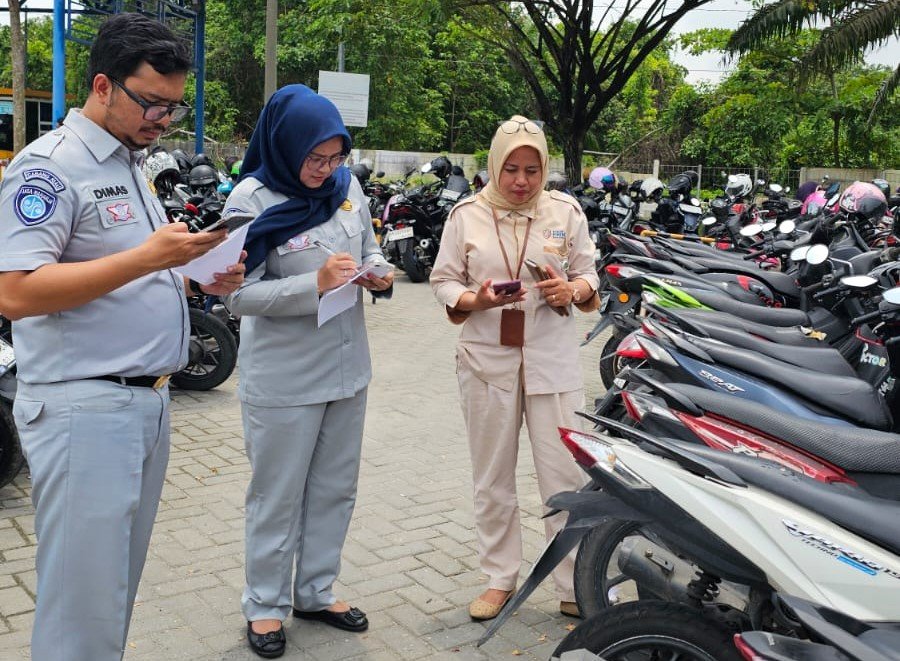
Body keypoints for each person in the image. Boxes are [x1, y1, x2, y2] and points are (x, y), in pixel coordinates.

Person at [0, 14, 245, 661]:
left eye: (173, 107)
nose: (163, 119)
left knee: (111, 593)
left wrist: (193, 275)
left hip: (145, 402)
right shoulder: (49, 168)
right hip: (84, 408)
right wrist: (148, 259)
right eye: (152, 103)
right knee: (80, 605)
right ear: (103, 85)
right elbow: (15, 291)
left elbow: (120, 272)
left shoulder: (131, 163)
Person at [222, 84, 393, 659]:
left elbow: (369, 248)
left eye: (335, 157)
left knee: (335, 489)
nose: (325, 169)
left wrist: (378, 272)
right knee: (277, 495)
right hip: (284, 379)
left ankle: (316, 591)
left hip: (347, 369)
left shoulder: (347, 188)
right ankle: (264, 604)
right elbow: (236, 295)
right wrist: (312, 284)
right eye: (314, 158)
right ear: (285, 144)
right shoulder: (251, 200)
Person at [430, 115, 600, 621]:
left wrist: (571, 290)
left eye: (532, 169)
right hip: (487, 362)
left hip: (552, 363)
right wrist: (474, 299)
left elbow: (589, 273)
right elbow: (443, 280)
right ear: (493, 166)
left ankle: (573, 582)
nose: (521, 181)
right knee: (492, 477)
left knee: (564, 476)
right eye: (511, 169)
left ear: (544, 167)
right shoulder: (466, 215)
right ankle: (499, 577)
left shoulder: (565, 211)